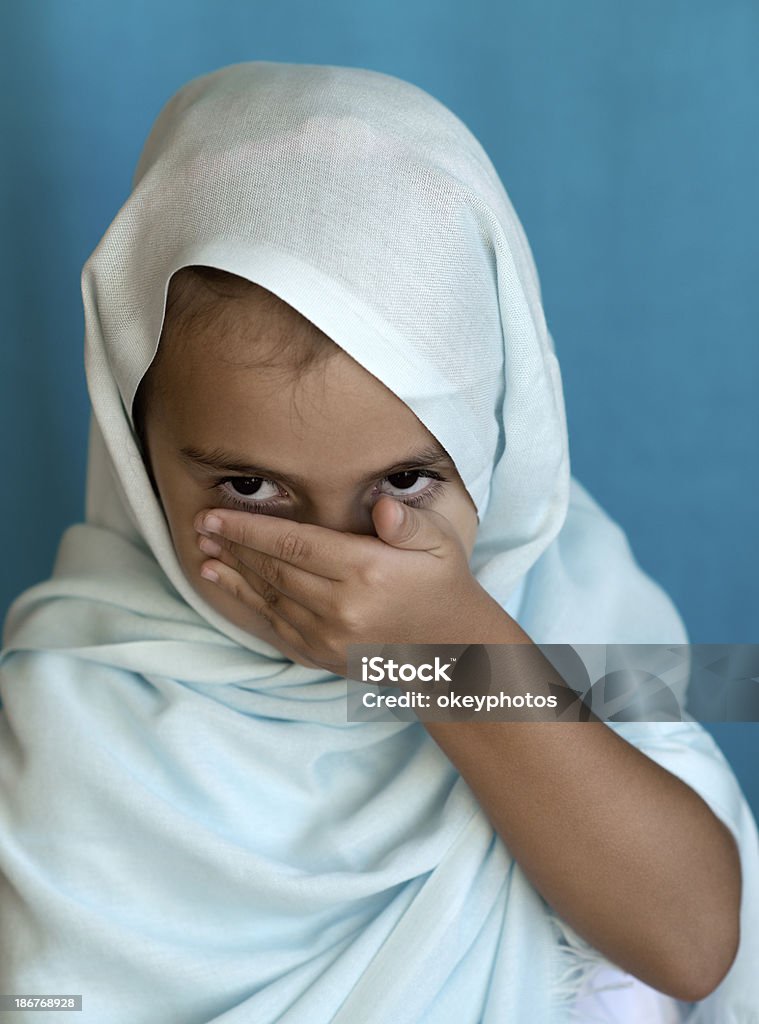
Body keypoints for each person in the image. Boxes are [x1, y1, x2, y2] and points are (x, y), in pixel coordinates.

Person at [0, 61, 757, 1024]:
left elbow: (690, 945)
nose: (344, 567)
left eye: (404, 484)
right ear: (136, 454)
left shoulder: (566, 611)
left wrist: (445, 651)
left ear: (494, 444)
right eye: (249, 487)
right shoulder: (79, 699)